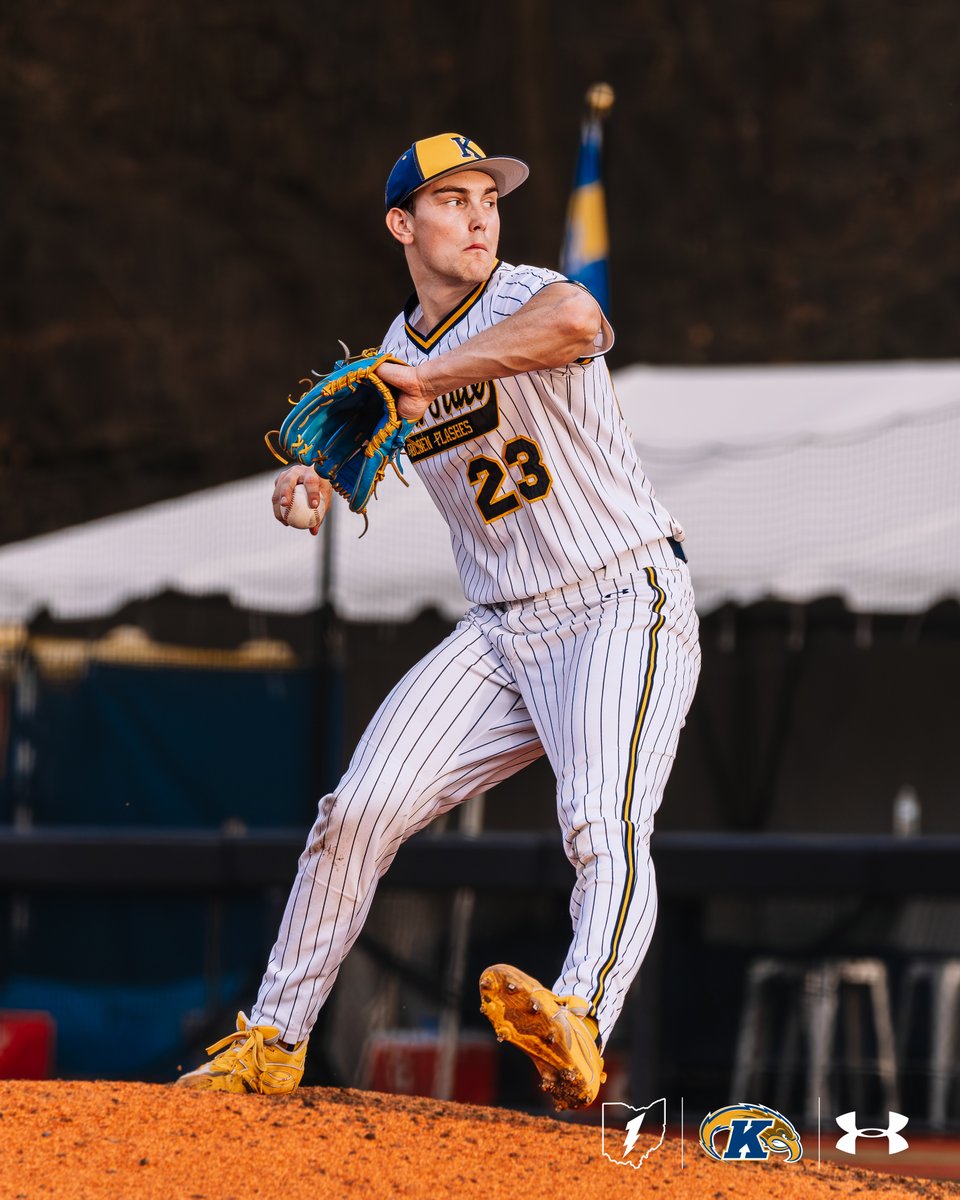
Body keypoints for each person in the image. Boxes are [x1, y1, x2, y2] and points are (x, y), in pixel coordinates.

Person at [177, 132, 701, 1109]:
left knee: (600, 817)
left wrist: (440, 373)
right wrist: (313, 483)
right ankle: (273, 1039)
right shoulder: (390, 354)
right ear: (400, 224)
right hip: (503, 631)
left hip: (622, 599)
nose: (477, 216)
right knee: (357, 812)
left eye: (488, 200)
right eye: (452, 200)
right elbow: (357, 442)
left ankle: (580, 1017)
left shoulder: (524, 295)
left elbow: (580, 318)